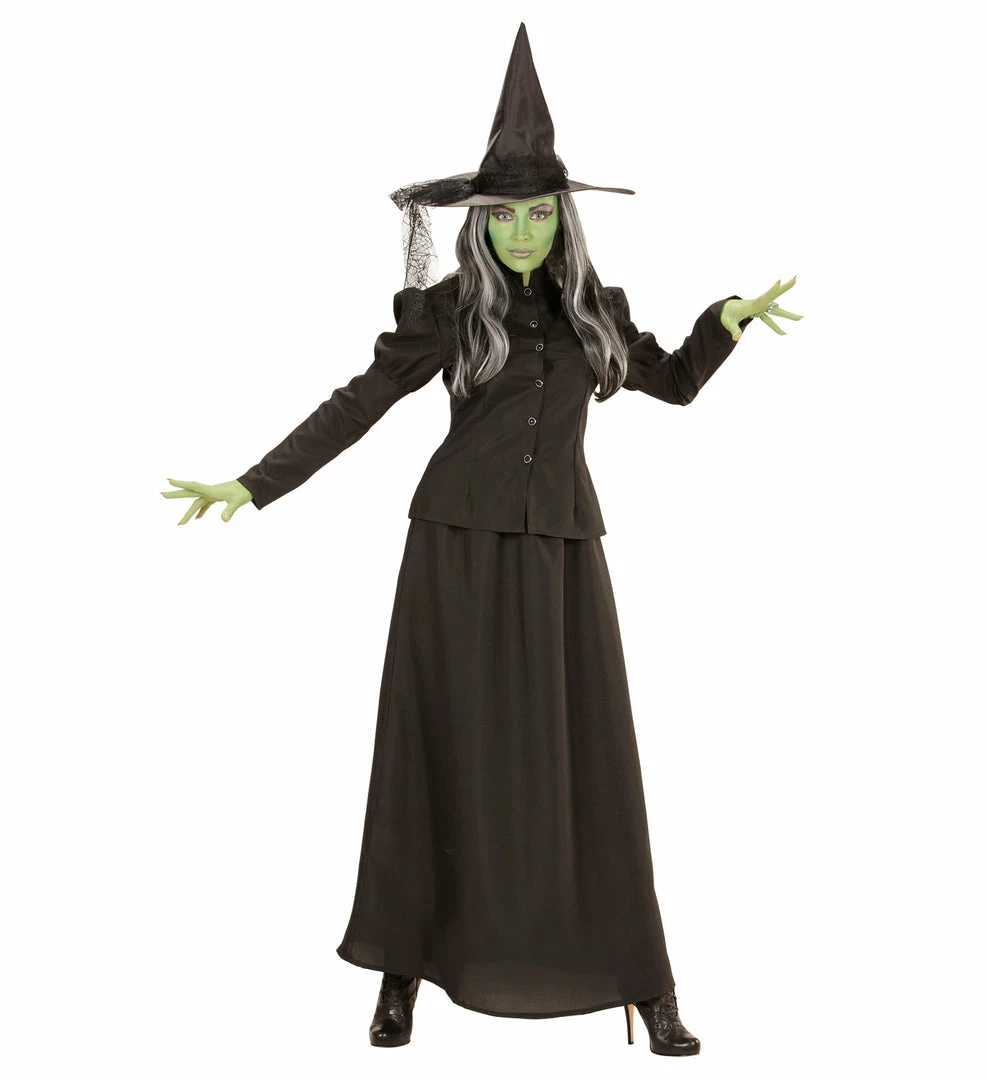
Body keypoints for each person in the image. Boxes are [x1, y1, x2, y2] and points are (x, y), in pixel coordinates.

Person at [162, 22, 800, 1056]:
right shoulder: (452, 312)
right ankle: (402, 973)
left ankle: (647, 984)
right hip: (452, 557)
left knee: (591, 768)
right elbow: (359, 403)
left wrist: (721, 322)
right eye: (504, 216)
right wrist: (255, 482)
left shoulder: (595, 312)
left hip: (561, 556)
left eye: (539, 214)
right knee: (437, 757)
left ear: (562, 218)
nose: (523, 233)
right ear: (480, 221)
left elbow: (676, 383)